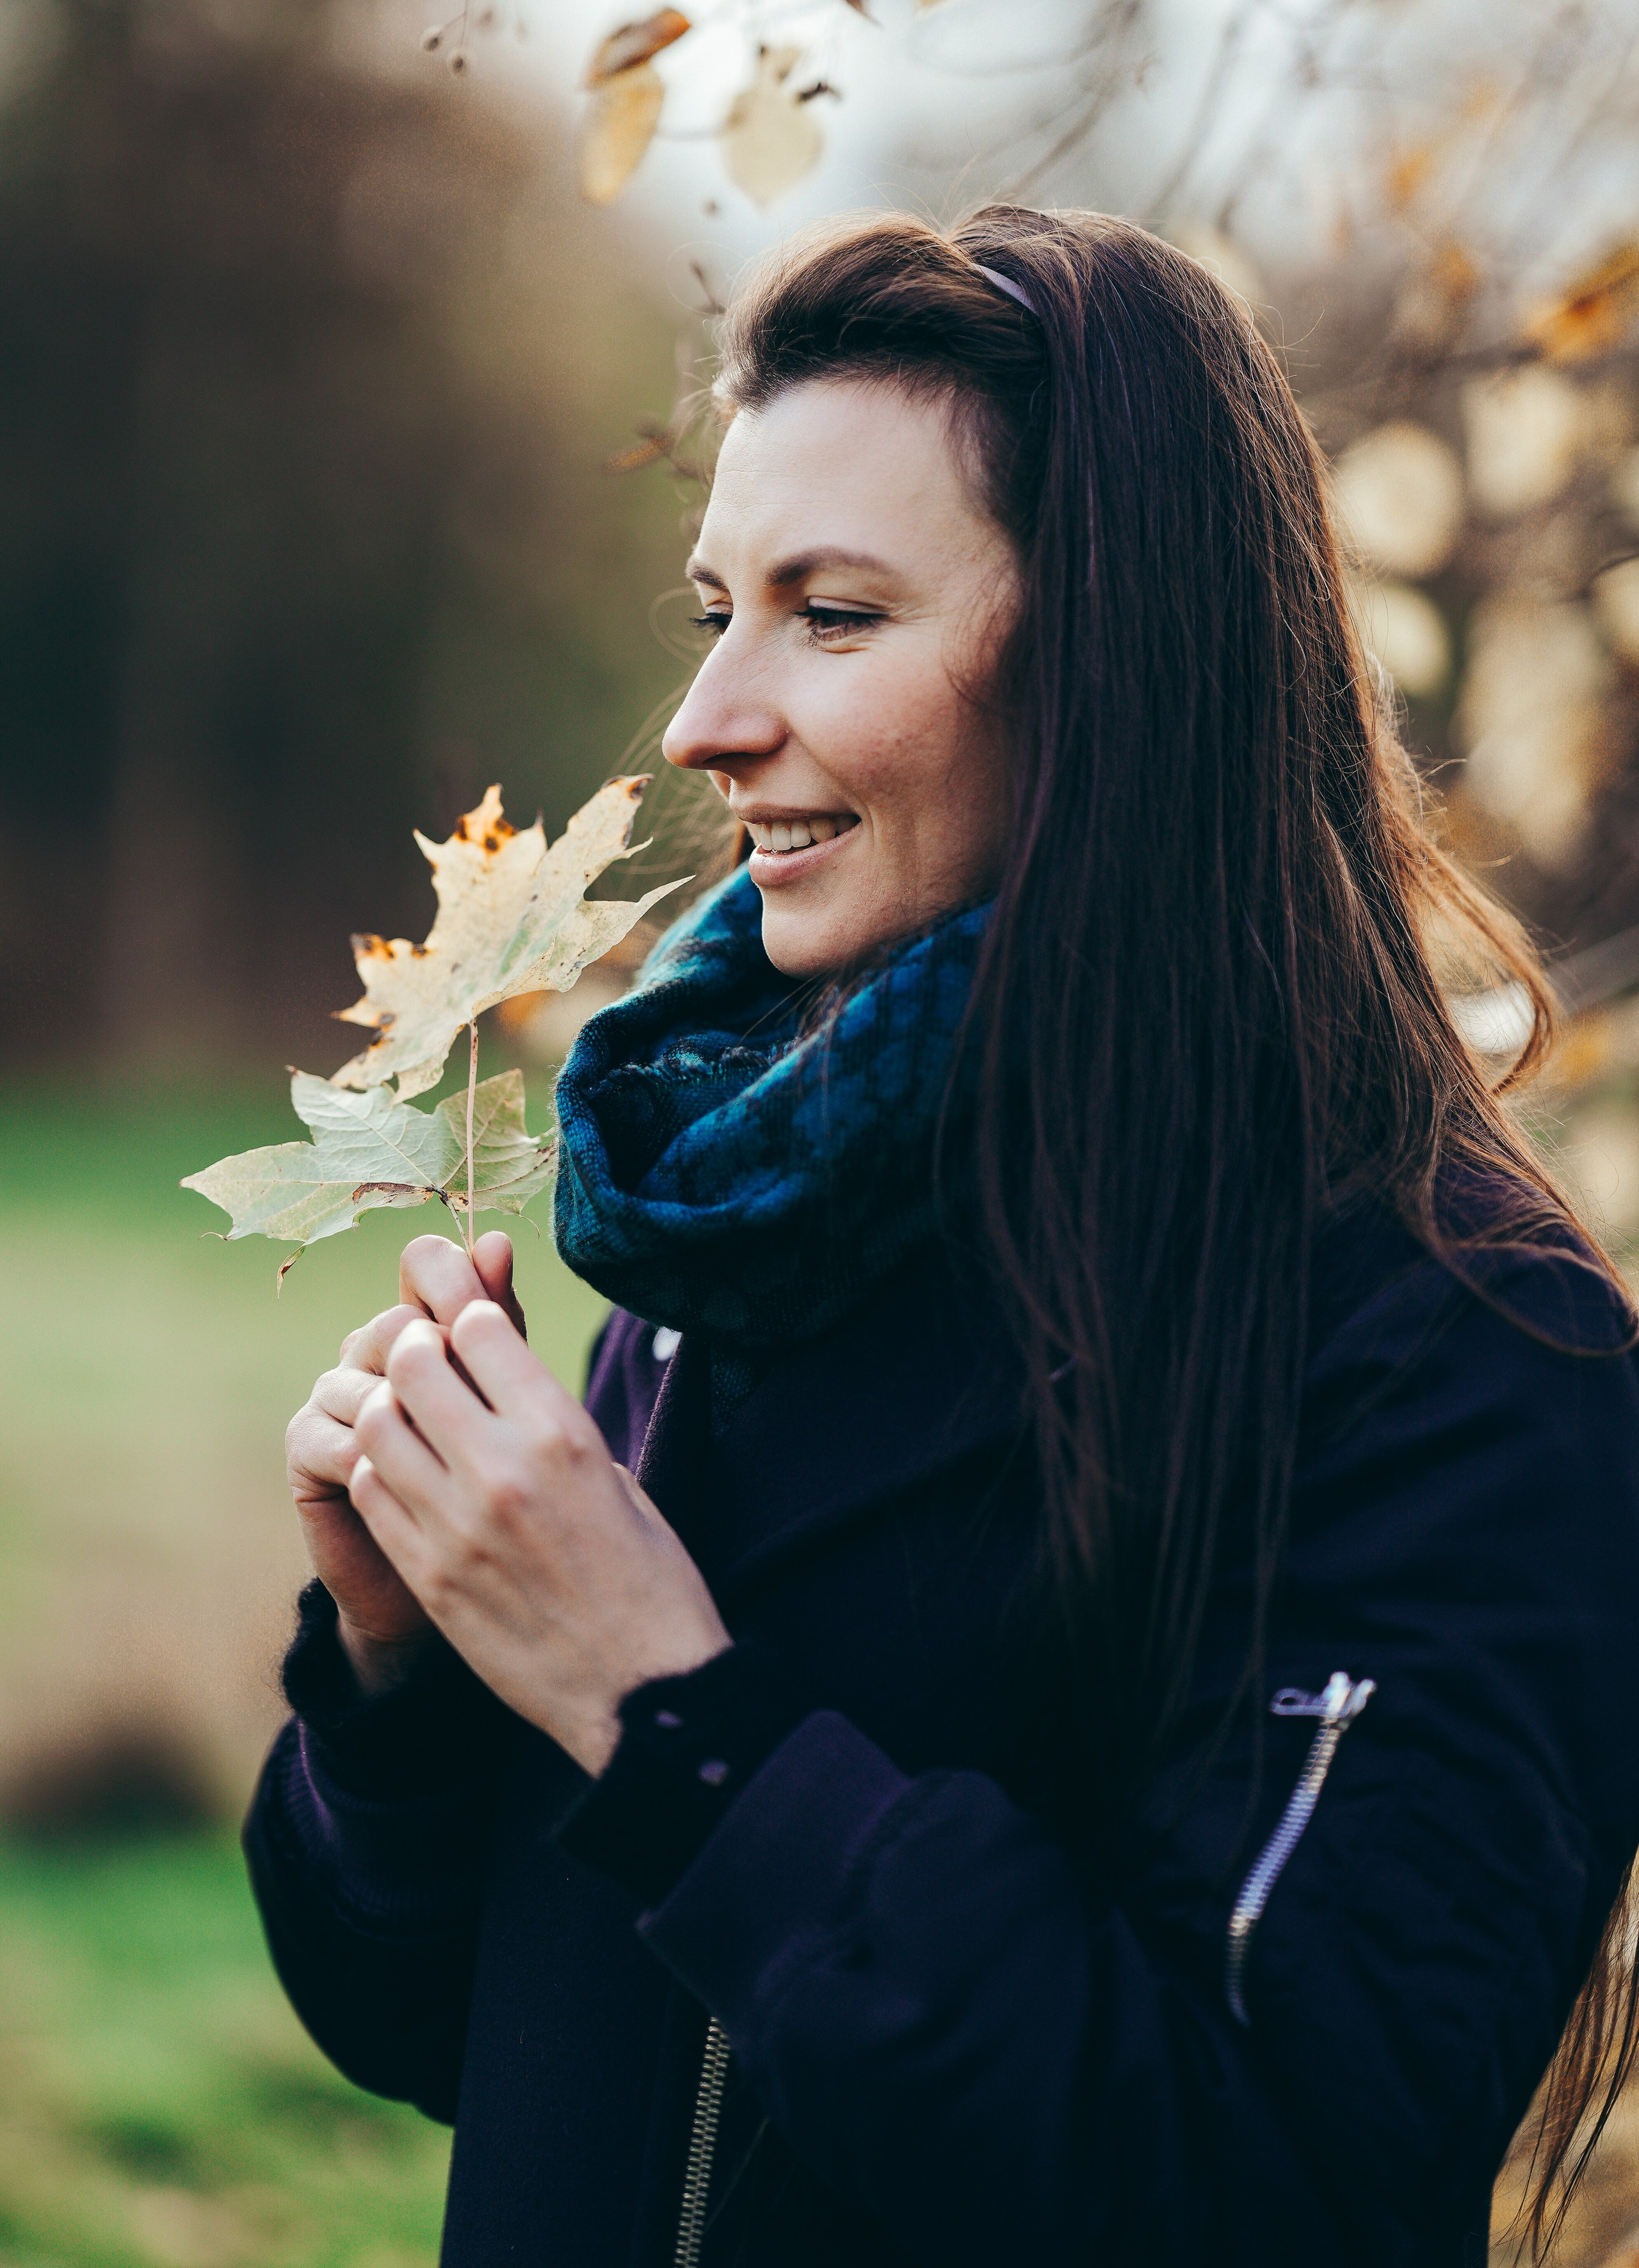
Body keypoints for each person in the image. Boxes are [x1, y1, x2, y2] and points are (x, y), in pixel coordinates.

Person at [245, 207, 1639, 2268]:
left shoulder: (1452, 1349)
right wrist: (406, 1674)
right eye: (715, 604)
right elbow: (461, 2041)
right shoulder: (740, 1231)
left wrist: (663, 1710)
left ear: (1115, 664)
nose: (705, 719)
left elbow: (1263, 2187)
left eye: (831, 615)